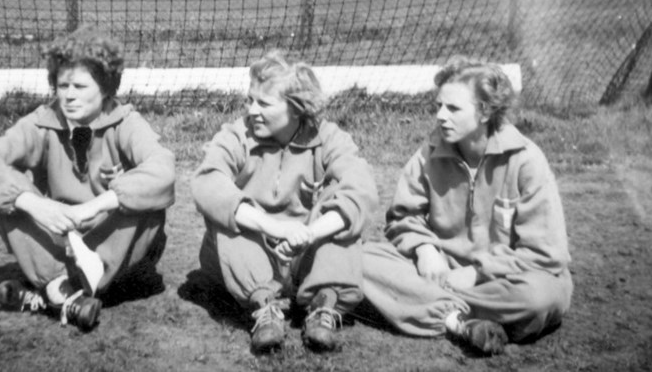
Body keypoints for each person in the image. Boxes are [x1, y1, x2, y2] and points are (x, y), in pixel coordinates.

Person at [0, 25, 175, 331]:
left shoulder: (126, 122)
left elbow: (163, 168)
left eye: (79, 86)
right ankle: (59, 290)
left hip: (114, 248)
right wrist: (35, 205)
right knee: (7, 189)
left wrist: (97, 204)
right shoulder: (42, 123)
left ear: (104, 89)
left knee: (148, 197)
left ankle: (51, 294)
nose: (69, 96)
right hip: (62, 238)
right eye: (63, 86)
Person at [361, 56, 572, 355]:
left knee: (541, 298)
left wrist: (476, 274)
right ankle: (465, 322)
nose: (441, 116)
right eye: (439, 107)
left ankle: (433, 309)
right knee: (360, 258)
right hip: (441, 271)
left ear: (485, 112)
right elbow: (401, 218)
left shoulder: (526, 160)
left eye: (453, 108)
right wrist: (423, 248)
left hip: (502, 281)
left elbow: (546, 254)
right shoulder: (428, 154)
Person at [191, 51, 379, 354]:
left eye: (264, 103)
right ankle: (264, 308)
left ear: (296, 108)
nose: (252, 110)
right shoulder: (236, 135)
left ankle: (323, 307)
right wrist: (272, 226)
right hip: (249, 256)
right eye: (250, 100)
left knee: (340, 203)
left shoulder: (329, 138)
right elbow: (206, 183)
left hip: (302, 256)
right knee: (226, 209)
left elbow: (362, 189)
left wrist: (310, 233)